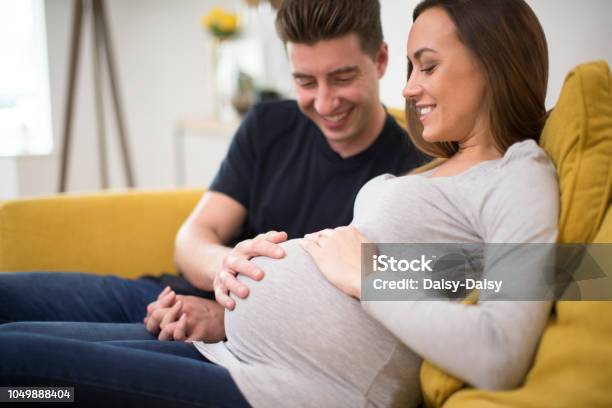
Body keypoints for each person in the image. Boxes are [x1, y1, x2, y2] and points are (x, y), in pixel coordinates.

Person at [0, 0, 559, 407]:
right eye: (413, 69)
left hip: (283, 384)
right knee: (13, 350)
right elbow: (456, 272)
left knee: (21, 374)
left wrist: (366, 273)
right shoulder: (441, 165)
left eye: (427, 66)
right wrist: (236, 273)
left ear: (493, 61)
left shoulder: (519, 173)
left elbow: (525, 309)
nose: (410, 90)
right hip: (229, 344)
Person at [0, 0, 426, 343]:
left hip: (234, 339)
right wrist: (226, 268)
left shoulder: (417, 168)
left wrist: (231, 313)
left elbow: (441, 279)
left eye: (342, 77)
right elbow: (191, 238)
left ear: (382, 60)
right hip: (165, 296)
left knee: (20, 356)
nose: (325, 101)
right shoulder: (267, 125)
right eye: (305, 82)